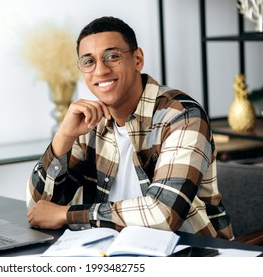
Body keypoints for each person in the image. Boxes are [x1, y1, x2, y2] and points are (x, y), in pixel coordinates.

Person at [26, 16, 233, 240]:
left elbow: (163, 214)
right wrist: (63, 137)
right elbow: (38, 209)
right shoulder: (90, 123)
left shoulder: (181, 115)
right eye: (89, 61)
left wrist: (68, 214)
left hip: (193, 253)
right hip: (111, 251)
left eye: (112, 56)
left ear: (137, 59)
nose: (101, 70)